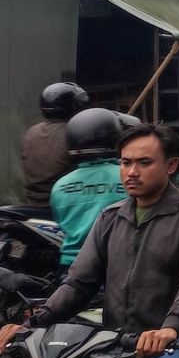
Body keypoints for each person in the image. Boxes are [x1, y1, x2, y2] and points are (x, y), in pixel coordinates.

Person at [0, 124, 179, 358]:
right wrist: (30, 326)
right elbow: (78, 284)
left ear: (171, 165)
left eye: (144, 163)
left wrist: (169, 328)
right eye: (126, 162)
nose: (132, 172)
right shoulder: (111, 217)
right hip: (114, 344)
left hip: (172, 343)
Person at [50, 108, 126, 268]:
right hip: (117, 264)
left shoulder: (60, 186)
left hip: (72, 267)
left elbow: (60, 222)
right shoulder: (129, 177)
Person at [22, 82, 89, 210]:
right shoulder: (74, 133)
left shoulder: (31, 131)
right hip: (63, 204)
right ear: (72, 107)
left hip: (32, 201)